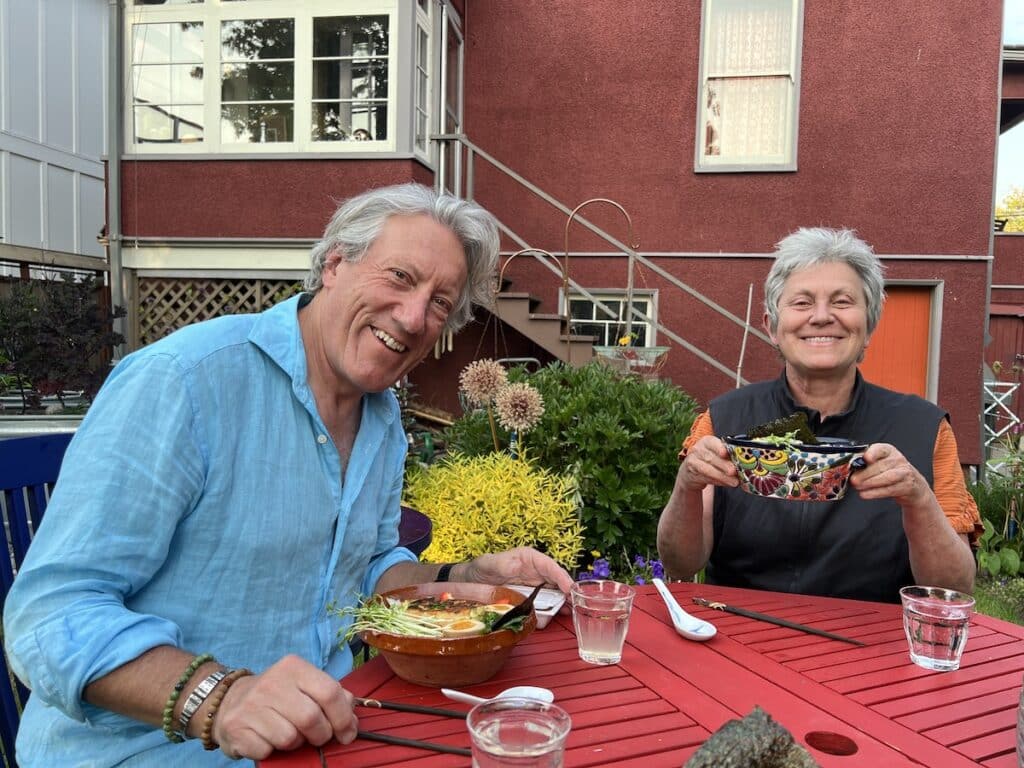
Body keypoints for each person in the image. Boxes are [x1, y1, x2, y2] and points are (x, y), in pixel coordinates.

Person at [3, 183, 575, 766]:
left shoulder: (381, 422)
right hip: (147, 752)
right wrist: (220, 699)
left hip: (319, 741)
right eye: (400, 277)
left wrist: (468, 575)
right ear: (334, 264)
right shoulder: (185, 382)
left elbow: (369, 567)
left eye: (438, 304)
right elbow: (50, 615)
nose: (412, 317)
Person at [656, 227, 981, 603]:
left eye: (842, 302)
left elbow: (954, 589)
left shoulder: (924, 429)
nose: (822, 317)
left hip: (873, 648)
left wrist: (918, 498)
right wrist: (686, 485)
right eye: (802, 303)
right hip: (739, 638)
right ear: (771, 326)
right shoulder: (724, 418)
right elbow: (680, 563)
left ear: (869, 324)